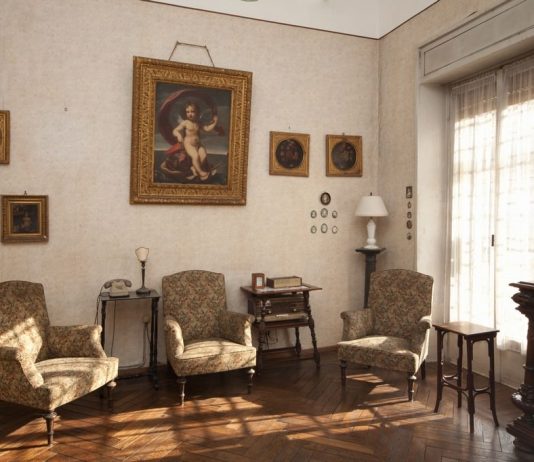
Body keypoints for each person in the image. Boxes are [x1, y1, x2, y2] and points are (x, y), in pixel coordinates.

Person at [172, 101, 218, 181]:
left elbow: (207, 129)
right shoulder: (185, 123)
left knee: (203, 155)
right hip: (188, 144)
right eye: (188, 112)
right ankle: (201, 172)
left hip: (198, 144)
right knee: (195, 156)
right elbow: (175, 130)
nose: (190, 114)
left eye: (192, 111)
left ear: (197, 112)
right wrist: (178, 135)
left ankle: (194, 168)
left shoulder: (198, 122)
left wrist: (215, 122)